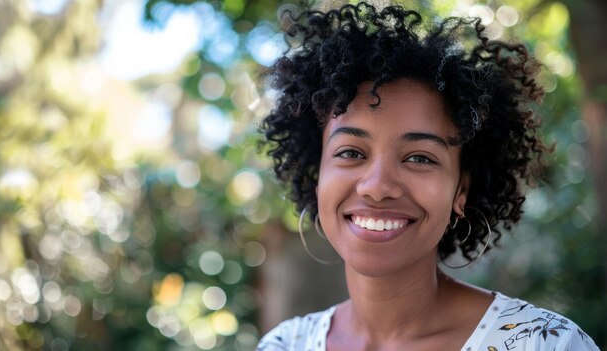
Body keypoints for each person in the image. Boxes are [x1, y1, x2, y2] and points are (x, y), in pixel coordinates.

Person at [256, 2, 600, 350]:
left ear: (460, 191)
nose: (377, 187)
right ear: (318, 177)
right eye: (350, 153)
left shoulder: (544, 344)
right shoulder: (284, 344)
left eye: (420, 157)